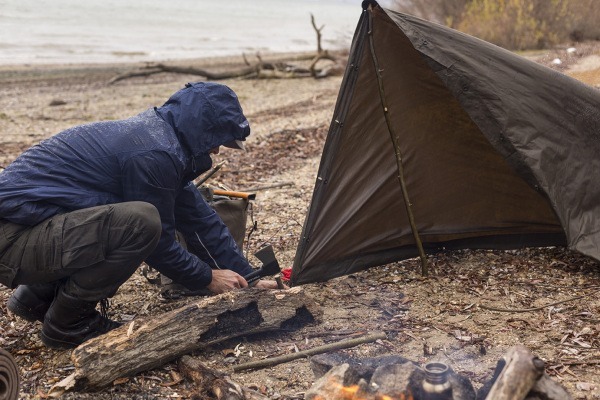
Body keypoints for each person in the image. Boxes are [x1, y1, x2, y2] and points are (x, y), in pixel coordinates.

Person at [0, 82, 281, 349]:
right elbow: (157, 241)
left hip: (28, 231)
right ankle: (68, 325)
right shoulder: (155, 153)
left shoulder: (161, 139)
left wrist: (249, 277)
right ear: (201, 130)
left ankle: (37, 297)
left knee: (121, 219)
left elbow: (199, 219)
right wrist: (208, 277)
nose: (216, 150)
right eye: (216, 141)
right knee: (141, 222)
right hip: (12, 239)